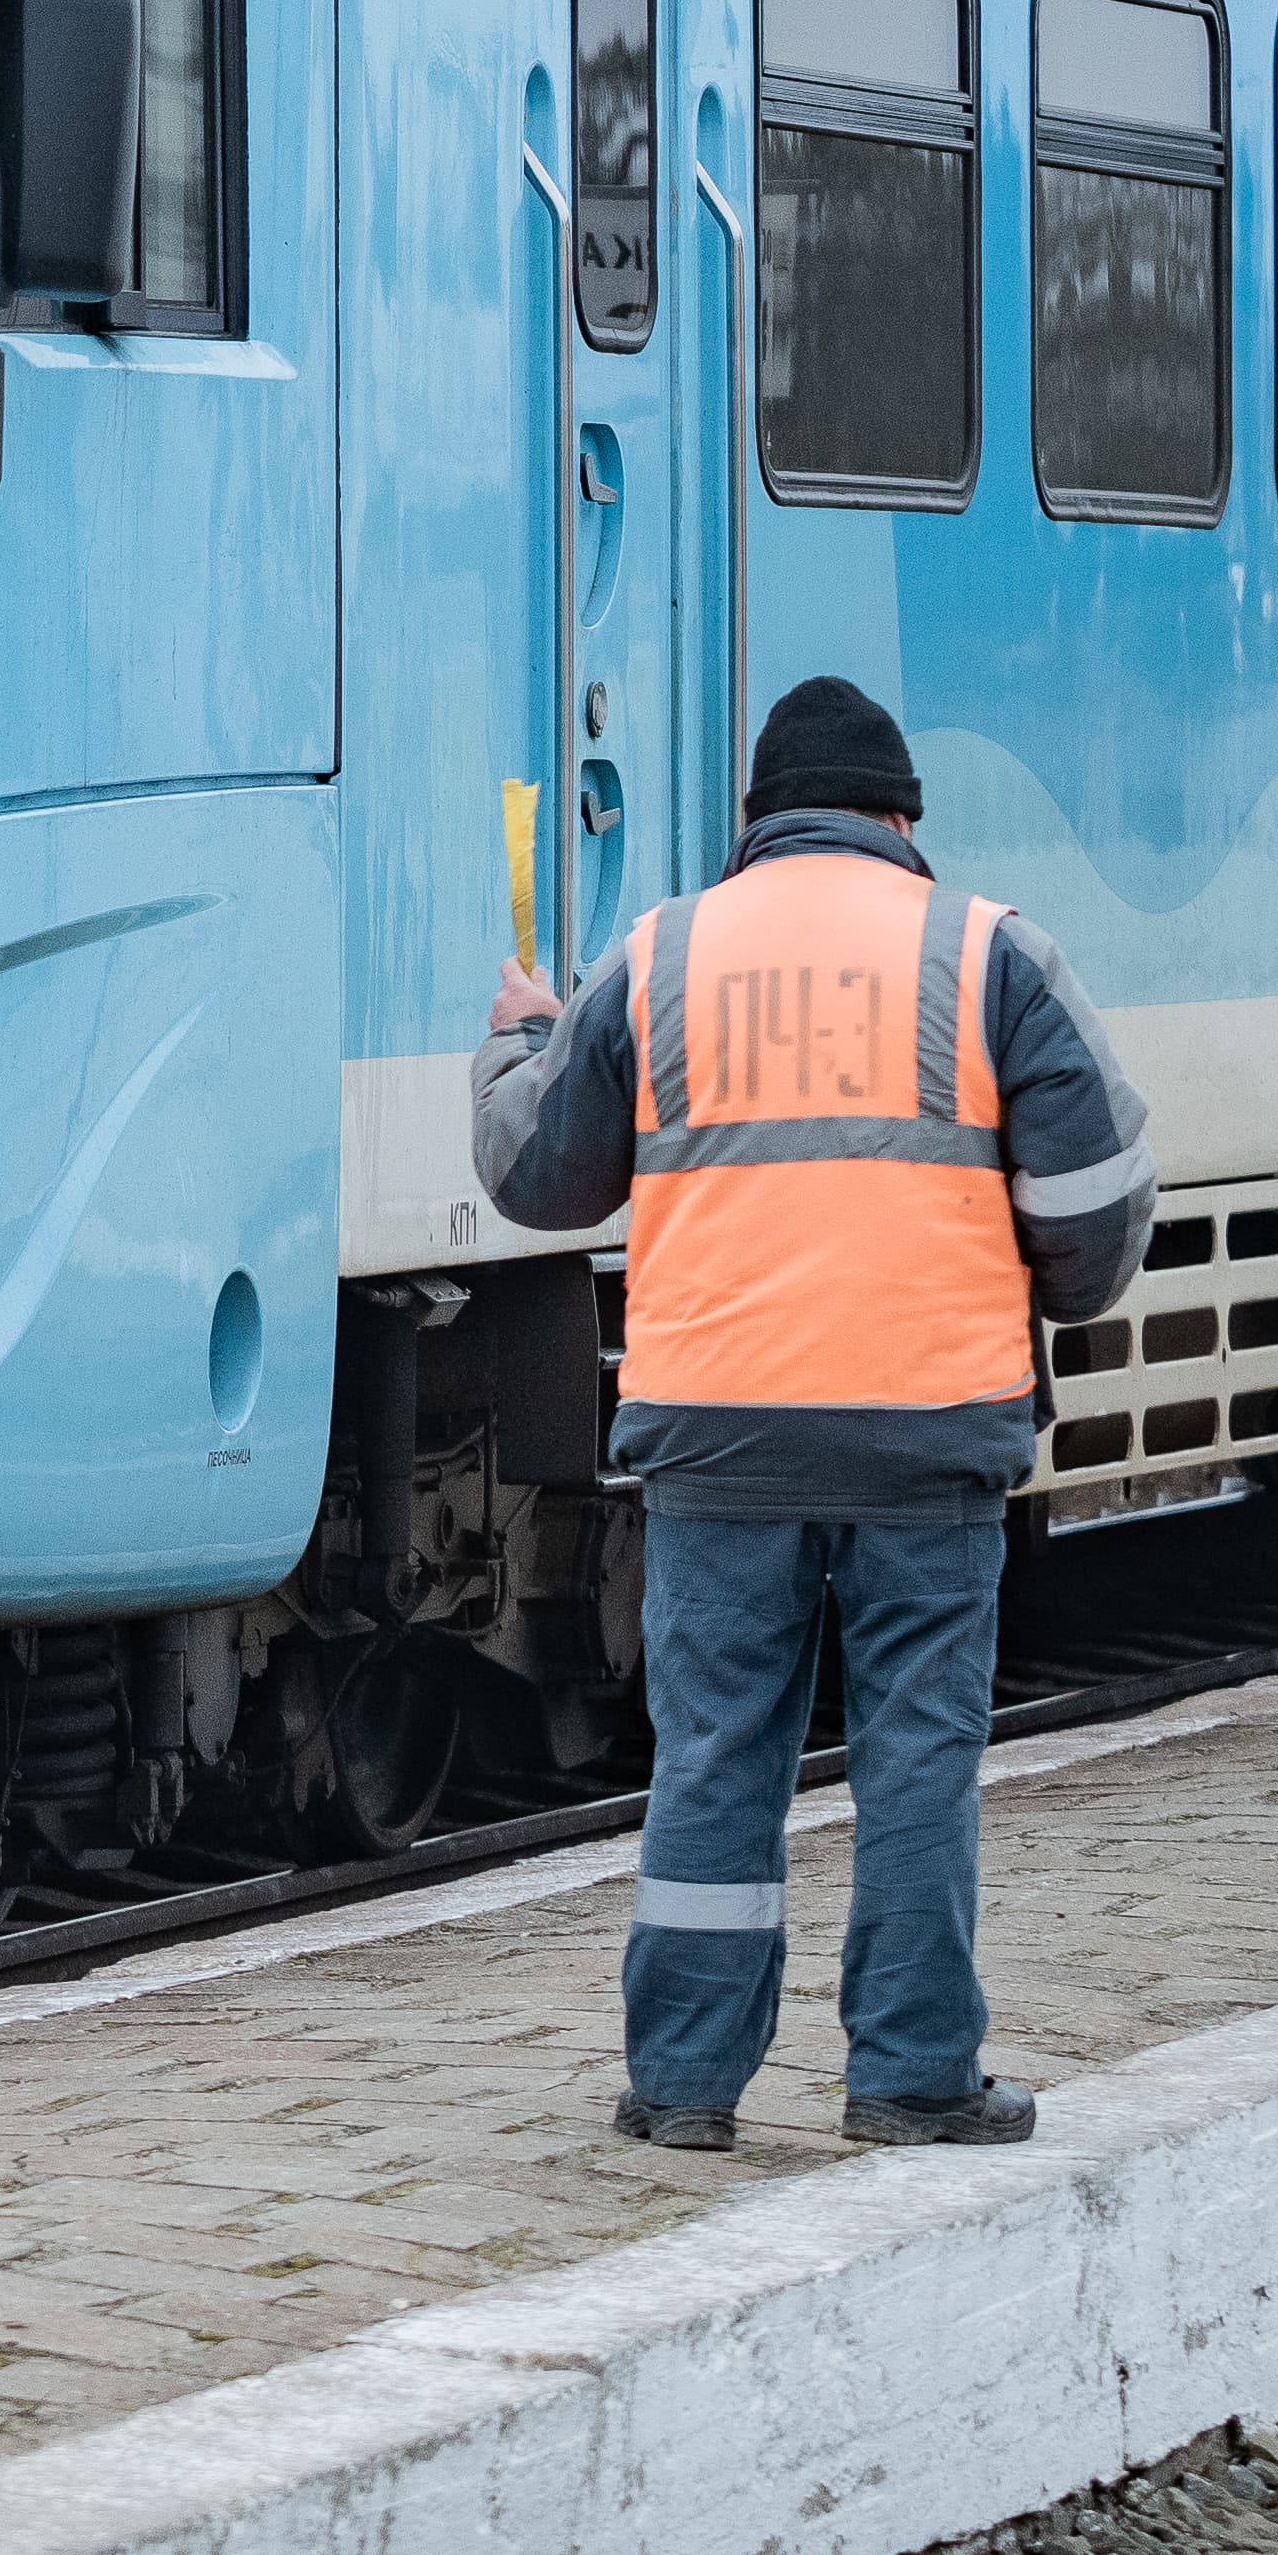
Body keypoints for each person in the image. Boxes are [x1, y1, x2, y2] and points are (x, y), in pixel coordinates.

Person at [474, 675, 1155, 2153]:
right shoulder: (990, 955)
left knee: (718, 1754)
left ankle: (684, 2090)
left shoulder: (661, 956)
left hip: (718, 1433)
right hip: (928, 1424)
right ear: (901, 816)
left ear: (759, 824)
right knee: (918, 1756)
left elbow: (538, 1182)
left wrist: (520, 1045)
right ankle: (910, 2079)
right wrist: (1025, 1269)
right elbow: (1100, 1215)